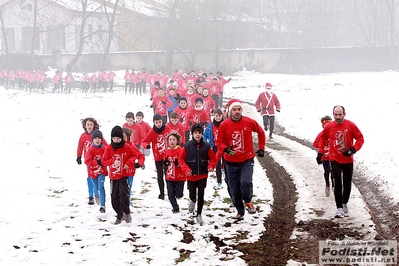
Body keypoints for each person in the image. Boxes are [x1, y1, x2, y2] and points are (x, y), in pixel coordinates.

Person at [216, 99, 266, 220]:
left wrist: (261, 148)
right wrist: (225, 149)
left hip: (246, 159)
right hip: (231, 161)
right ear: (230, 111)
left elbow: (261, 132)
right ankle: (240, 212)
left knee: (246, 182)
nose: (237, 112)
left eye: (239, 109)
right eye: (234, 109)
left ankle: (248, 200)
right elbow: (219, 142)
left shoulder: (249, 122)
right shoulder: (224, 125)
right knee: (234, 188)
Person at [316, 105, 364, 218]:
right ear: (333, 114)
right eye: (335, 115)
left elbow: (360, 138)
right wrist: (320, 152)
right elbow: (322, 139)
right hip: (334, 158)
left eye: (340, 114)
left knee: (347, 183)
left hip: (348, 159)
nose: (338, 117)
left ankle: (344, 203)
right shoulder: (330, 127)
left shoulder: (350, 125)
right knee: (337, 182)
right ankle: (339, 208)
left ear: (344, 114)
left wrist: (353, 149)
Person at [102, 126, 145, 225]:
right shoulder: (109, 148)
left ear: (122, 138)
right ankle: (119, 214)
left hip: (123, 175)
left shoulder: (127, 147)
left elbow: (136, 155)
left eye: (118, 138)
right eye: (114, 139)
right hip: (113, 177)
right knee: (114, 198)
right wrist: (112, 161)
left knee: (123, 194)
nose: (116, 141)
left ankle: (126, 212)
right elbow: (104, 161)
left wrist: (129, 163)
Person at [178, 123, 216, 225]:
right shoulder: (187, 146)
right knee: (192, 194)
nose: (197, 135)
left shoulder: (207, 146)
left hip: (203, 174)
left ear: (202, 134)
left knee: (201, 194)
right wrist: (186, 170)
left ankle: (199, 214)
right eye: (195, 132)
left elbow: (213, 158)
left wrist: (211, 166)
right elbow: (181, 159)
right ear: (192, 134)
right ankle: (192, 200)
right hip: (191, 175)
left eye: (199, 132)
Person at [76, 117, 107, 205]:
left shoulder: (97, 136)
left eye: (91, 124)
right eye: (88, 125)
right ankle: (91, 196)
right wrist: (79, 156)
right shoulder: (83, 136)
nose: (89, 126)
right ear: (85, 126)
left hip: (99, 161)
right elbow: (80, 146)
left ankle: (97, 193)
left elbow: (106, 146)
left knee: (98, 177)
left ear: (94, 125)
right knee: (90, 177)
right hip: (89, 161)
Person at [142, 114, 171, 200]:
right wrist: (147, 145)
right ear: (154, 122)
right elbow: (144, 141)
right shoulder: (152, 131)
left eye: (160, 122)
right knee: (160, 175)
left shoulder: (167, 129)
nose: (158, 124)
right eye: (156, 122)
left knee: (168, 175)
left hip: (167, 156)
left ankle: (170, 192)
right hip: (157, 156)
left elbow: (173, 137)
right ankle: (161, 193)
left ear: (162, 121)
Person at [84, 130, 108, 213]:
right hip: (92, 172)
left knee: (101, 186)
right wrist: (97, 162)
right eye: (95, 138)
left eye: (99, 138)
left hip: (101, 171)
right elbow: (87, 161)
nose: (97, 140)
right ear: (92, 140)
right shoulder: (90, 150)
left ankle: (103, 205)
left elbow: (108, 158)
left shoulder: (105, 149)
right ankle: (96, 195)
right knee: (96, 187)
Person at [163, 132, 186, 213]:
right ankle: (175, 208)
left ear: (177, 141)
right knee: (170, 194)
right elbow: (165, 162)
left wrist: (179, 164)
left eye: (173, 139)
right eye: (170, 140)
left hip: (180, 177)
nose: (172, 141)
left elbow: (184, 161)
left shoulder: (180, 150)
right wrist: (165, 164)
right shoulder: (166, 151)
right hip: (169, 177)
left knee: (179, 194)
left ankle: (180, 194)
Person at [313, 115, 334, 196]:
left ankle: (334, 185)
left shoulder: (334, 133)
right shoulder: (321, 134)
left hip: (333, 155)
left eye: (329, 124)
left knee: (333, 171)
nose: (327, 126)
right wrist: (323, 146)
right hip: (324, 156)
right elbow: (315, 143)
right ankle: (327, 185)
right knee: (327, 170)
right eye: (325, 125)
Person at [203, 108, 224, 188]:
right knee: (217, 163)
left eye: (219, 116)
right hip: (215, 147)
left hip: (225, 147)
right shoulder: (210, 127)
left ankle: (224, 168)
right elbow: (205, 135)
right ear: (214, 116)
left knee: (226, 161)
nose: (218, 118)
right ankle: (219, 181)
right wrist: (207, 143)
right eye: (216, 116)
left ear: (222, 116)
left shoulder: (225, 124)